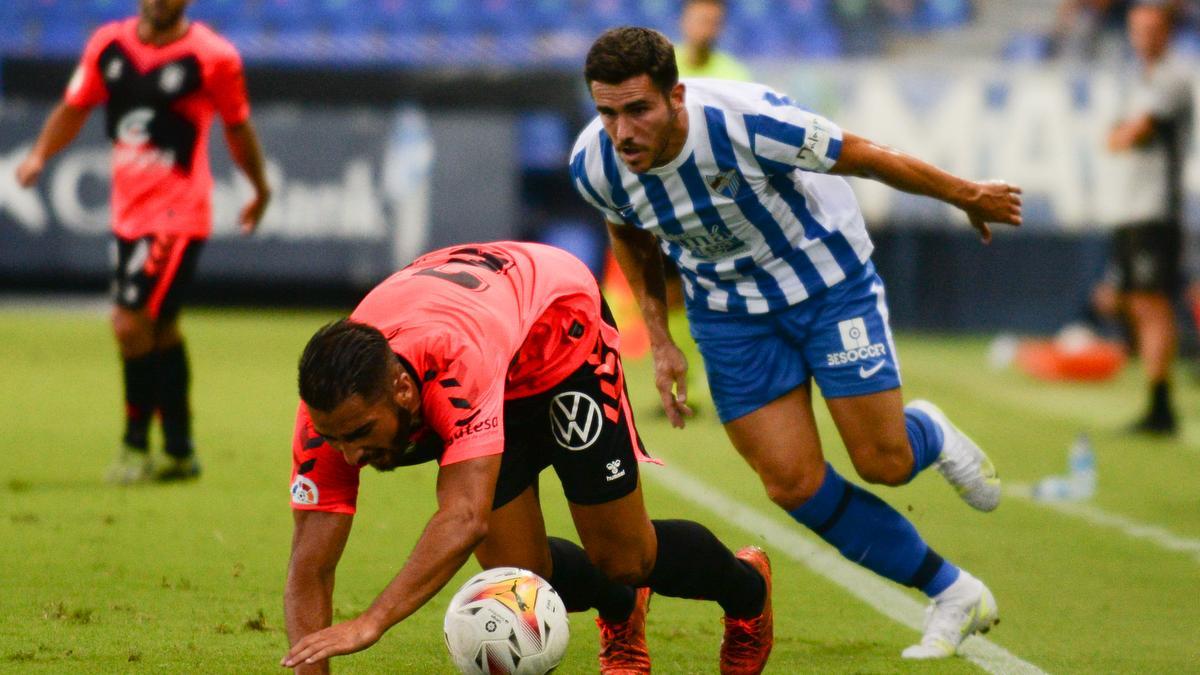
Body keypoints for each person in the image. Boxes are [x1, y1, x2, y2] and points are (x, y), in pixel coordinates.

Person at [570, 27, 1022, 659]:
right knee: (791, 483)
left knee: (884, 463)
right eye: (608, 112)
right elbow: (630, 236)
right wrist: (661, 339)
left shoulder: (747, 123)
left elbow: (863, 155)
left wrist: (965, 194)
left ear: (675, 97)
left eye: (638, 109)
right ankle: (952, 592)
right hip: (729, 314)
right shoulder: (595, 163)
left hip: (826, 283)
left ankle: (928, 433)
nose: (623, 132)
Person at [281, 242, 773, 675]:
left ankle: (748, 591)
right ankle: (621, 607)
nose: (349, 454)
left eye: (361, 434)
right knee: (519, 576)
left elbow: (463, 516)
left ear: (403, 390)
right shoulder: (329, 417)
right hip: (491, 334)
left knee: (625, 556)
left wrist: (371, 621)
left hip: (561, 341)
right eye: (334, 438)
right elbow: (311, 565)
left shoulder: (455, 363)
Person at [14, 0, 271, 482]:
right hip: (128, 212)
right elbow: (75, 107)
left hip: (178, 212)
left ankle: (135, 446)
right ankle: (179, 449)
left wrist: (258, 187)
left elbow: (237, 128)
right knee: (161, 327)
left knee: (130, 323)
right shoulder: (108, 45)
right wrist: (39, 156)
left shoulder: (213, 57)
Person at [1093, 0, 1193, 435]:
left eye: (1152, 30)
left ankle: (1162, 404)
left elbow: (1131, 133)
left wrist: (1121, 134)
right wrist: (1119, 134)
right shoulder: (1136, 80)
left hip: (1156, 208)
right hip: (1129, 207)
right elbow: (1111, 135)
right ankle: (1157, 396)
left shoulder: (1172, 78)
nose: (1144, 38)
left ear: (1167, 32)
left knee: (1151, 302)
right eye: (1138, 30)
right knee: (1132, 300)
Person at [676, 0, 751, 82]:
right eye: (701, 21)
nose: (705, 30)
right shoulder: (662, 65)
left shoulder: (734, 76)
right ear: (683, 20)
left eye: (713, 23)